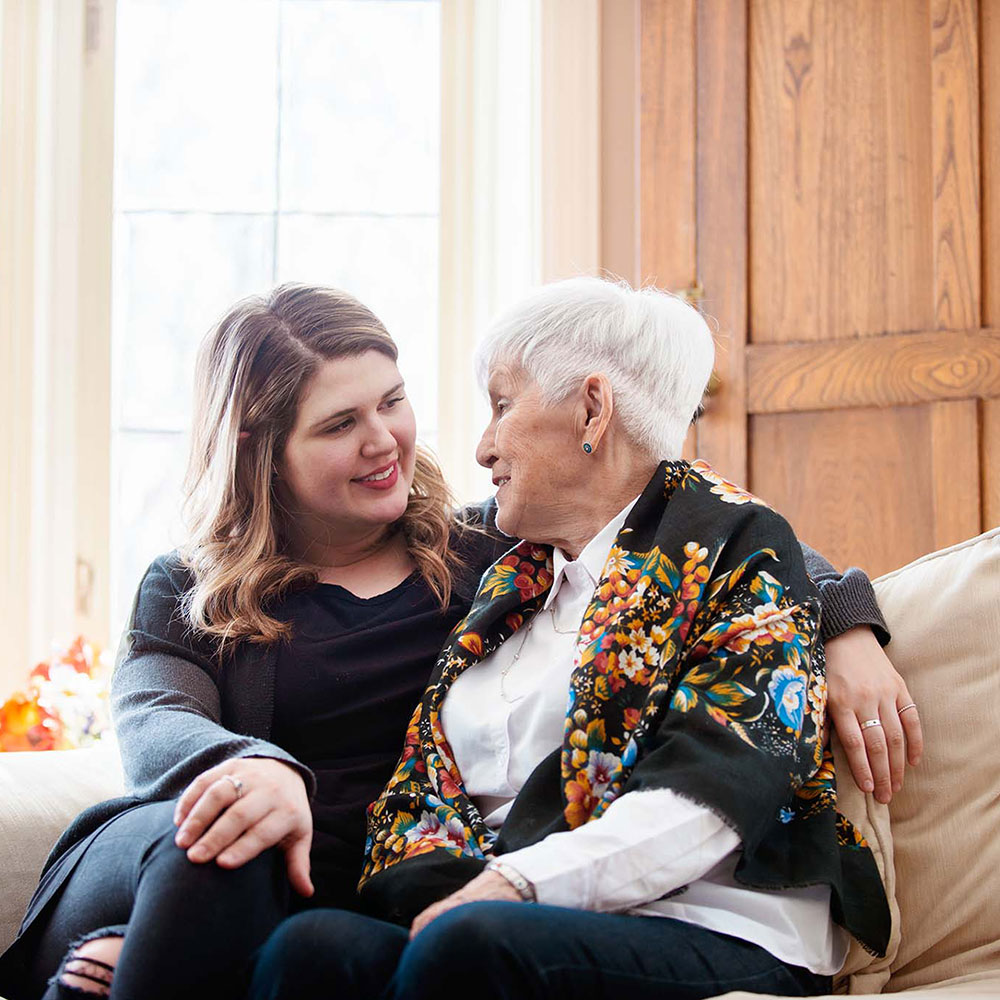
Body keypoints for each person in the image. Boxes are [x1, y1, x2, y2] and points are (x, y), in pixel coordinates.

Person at [0, 284, 916, 1000]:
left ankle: (167, 966)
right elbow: (155, 722)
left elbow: (706, 531)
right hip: (186, 843)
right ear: (259, 446)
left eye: (392, 403)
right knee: (228, 842)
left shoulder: (482, 551)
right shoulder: (189, 583)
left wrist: (842, 622)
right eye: (338, 424)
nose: (385, 440)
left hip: (344, 895)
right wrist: (255, 765)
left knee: (302, 938)